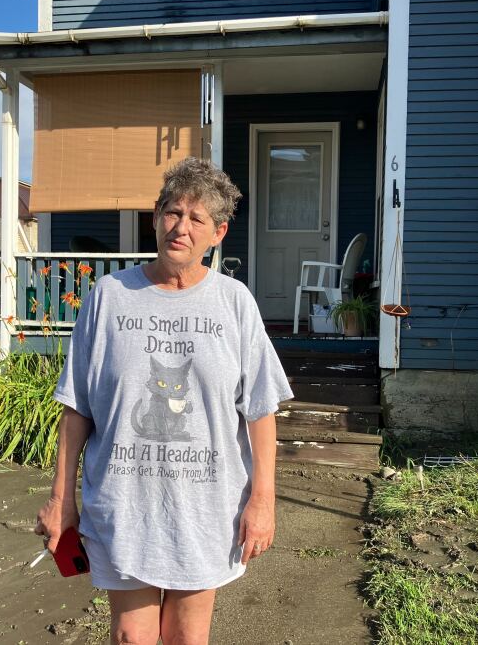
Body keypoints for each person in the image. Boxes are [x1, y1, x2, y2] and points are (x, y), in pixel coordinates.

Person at [35, 157, 293, 644]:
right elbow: (77, 408)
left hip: (205, 506)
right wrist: (59, 499)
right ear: (155, 217)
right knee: (131, 637)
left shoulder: (235, 303)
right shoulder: (109, 297)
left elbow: (260, 410)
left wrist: (263, 502)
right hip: (123, 501)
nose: (182, 227)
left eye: (197, 219)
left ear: (218, 233)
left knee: (186, 637)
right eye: (173, 212)